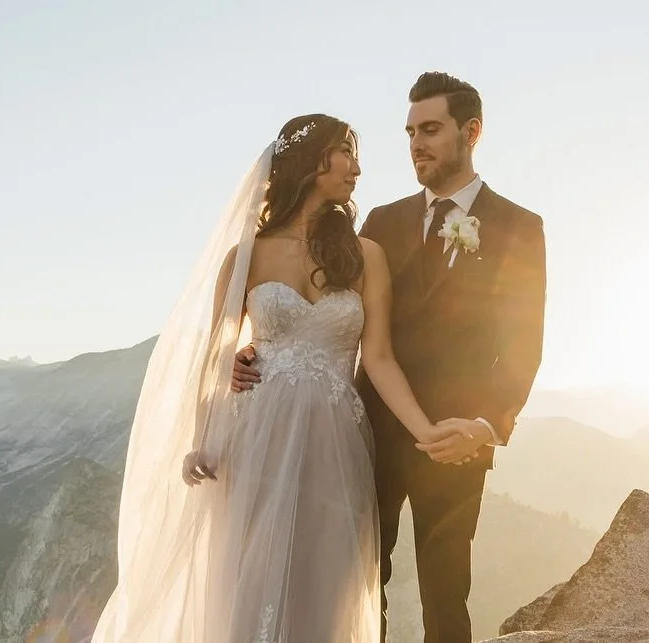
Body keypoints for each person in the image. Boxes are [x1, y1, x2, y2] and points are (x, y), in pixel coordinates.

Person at [92, 113, 473, 643]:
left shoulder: (365, 256)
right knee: (249, 578)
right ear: (311, 160)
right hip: (256, 437)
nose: (358, 168)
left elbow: (380, 358)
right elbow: (213, 357)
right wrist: (203, 436)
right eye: (346, 152)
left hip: (335, 444)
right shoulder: (245, 256)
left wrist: (424, 429)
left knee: (327, 584)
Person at [233, 73, 547, 642]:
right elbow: (332, 312)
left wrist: (484, 426)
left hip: (456, 441)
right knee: (352, 584)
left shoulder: (519, 228)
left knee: (446, 595)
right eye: (409, 132)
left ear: (471, 132)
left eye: (430, 130)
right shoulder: (379, 223)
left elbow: (524, 347)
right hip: (363, 435)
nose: (415, 144)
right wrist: (261, 349)